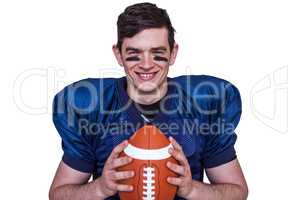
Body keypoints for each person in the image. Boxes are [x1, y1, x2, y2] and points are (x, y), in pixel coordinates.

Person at [49, 2, 248, 200]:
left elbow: (237, 191)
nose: (146, 65)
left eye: (157, 54)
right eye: (134, 55)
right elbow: (58, 194)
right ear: (119, 55)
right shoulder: (90, 105)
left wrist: (192, 189)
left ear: (173, 53)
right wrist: (99, 188)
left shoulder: (205, 103)